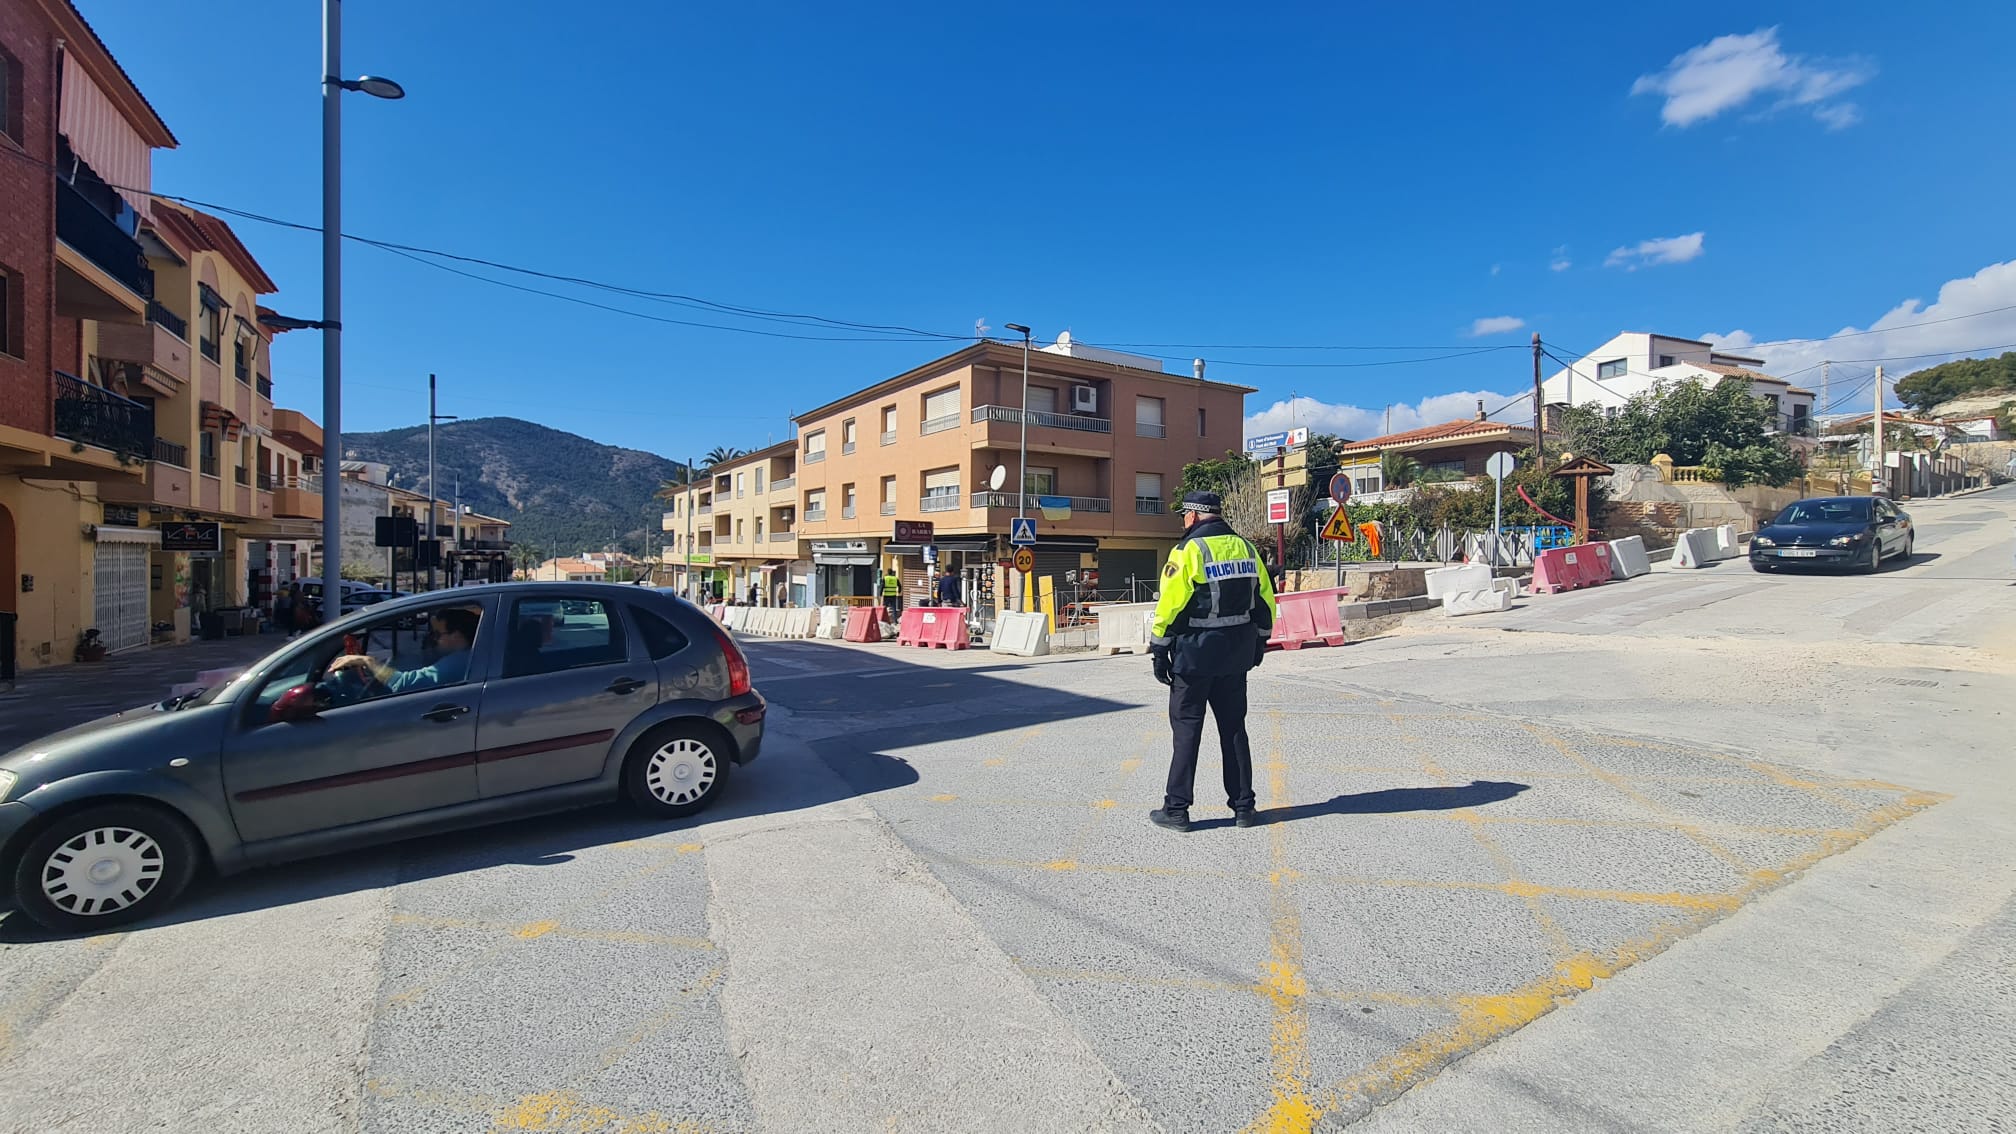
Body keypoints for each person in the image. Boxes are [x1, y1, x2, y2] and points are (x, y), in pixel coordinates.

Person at [1146, 491, 1278, 832]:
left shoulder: (1188, 551)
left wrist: (1159, 648)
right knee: (1233, 729)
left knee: (1187, 730)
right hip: (1236, 655)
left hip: (1194, 656)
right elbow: (1265, 601)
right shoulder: (1247, 549)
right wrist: (1261, 639)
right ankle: (1244, 807)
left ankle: (1176, 810)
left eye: (1183, 516)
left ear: (1192, 516)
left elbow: (1170, 605)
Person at [326, 607, 480, 697]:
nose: (433, 640)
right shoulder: (467, 656)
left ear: (457, 635)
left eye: (437, 634)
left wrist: (368, 662)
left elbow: (403, 684)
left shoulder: (460, 662)